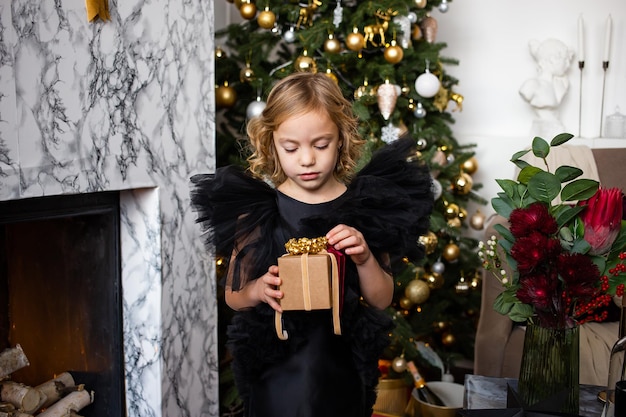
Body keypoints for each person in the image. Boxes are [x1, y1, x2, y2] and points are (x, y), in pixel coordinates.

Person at [191, 72, 433, 417]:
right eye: (291, 147)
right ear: (271, 143)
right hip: (276, 367)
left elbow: (381, 299)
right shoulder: (259, 211)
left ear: (341, 140)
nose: (306, 159)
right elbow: (234, 296)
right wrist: (259, 290)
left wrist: (364, 258)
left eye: (320, 145)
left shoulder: (365, 206)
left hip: (341, 365)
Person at [519, 38, 574, 138]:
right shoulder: (532, 85)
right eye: (565, 60)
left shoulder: (561, 84)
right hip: (543, 131)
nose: (568, 65)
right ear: (552, 60)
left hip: (556, 129)